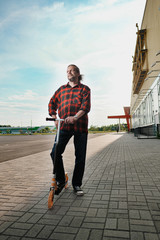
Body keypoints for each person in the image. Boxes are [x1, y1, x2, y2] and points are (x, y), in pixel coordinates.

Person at [48, 64, 91, 196]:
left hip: (80, 127)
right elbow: (51, 103)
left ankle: (77, 184)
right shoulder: (61, 89)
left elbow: (86, 106)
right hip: (64, 127)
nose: (69, 73)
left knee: (80, 157)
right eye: (67, 71)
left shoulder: (85, 89)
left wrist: (75, 117)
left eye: (72, 71)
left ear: (78, 73)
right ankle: (61, 180)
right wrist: (55, 117)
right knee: (55, 153)